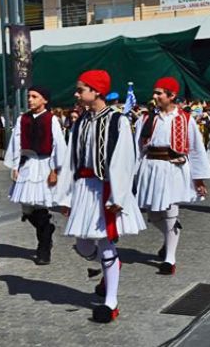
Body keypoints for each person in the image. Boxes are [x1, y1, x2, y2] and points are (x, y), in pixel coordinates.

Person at [61, 70, 145, 323]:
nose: (76, 94)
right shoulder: (80, 122)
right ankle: (111, 264)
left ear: (96, 91)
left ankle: (111, 302)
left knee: (106, 242)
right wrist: (65, 196)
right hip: (84, 187)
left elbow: (123, 158)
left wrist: (118, 195)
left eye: (80, 89)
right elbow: (70, 159)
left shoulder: (117, 120)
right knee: (84, 245)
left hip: (106, 188)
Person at [134, 76, 210, 275]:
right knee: (153, 214)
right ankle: (171, 235)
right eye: (155, 92)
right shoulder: (147, 118)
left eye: (159, 93)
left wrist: (199, 178)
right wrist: (131, 175)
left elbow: (195, 148)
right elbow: (136, 148)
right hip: (151, 167)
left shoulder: (185, 119)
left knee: (170, 210)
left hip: (173, 168)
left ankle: (170, 259)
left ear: (172, 95)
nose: (155, 96)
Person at [4, 86, 67, 265]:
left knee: (40, 205)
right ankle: (47, 228)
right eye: (29, 96)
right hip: (27, 164)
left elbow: (58, 145)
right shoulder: (22, 119)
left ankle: (44, 247)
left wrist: (55, 170)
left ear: (44, 100)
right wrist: (15, 166)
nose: (30, 100)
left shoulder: (51, 119)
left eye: (34, 96)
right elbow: (16, 143)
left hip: (44, 164)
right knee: (27, 207)